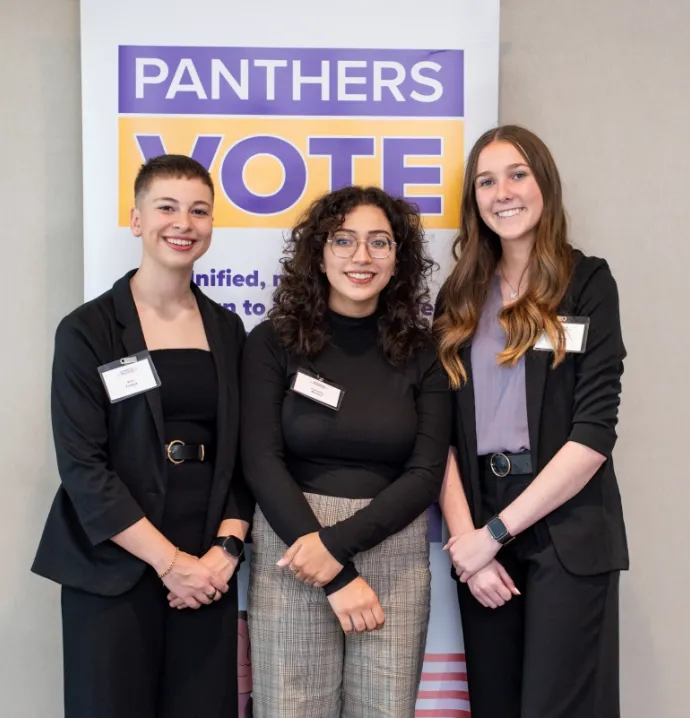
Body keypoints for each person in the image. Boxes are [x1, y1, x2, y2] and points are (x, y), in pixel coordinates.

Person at [32, 154, 253, 718]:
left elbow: (244, 453)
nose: (184, 222)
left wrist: (224, 553)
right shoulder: (88, 329)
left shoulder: (228, 329)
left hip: (207, 570)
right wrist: (168, 562)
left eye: (199, 210)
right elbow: (83, 467)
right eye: (167, 207)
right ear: (136, 219)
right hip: (115, 566)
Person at [434, 125, 628, 718]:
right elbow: (435, 431)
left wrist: (497, 533)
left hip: (564, 524)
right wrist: (471, 542)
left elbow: (593, 434)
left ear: (544, 183)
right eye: (486, 181)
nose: (503, 192)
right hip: (481, 516)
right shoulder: (459, 296)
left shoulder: (587, 282)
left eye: (517, 174)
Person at [240, 185, 450, 718]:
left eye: (379, 242)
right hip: (294, 548)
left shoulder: (424, 351)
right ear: (319, 251)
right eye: (344, 240)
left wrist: (337, 547)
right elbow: (261, 462)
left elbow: (426, 474)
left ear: (398, 257)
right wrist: (329, 566)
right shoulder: (272, 342)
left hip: (393, 552)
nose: (362, 257)